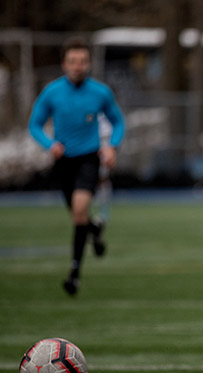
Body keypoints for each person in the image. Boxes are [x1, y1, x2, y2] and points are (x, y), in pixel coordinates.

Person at [29, 37, 125, 296]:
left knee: (80, 208)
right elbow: (34, 124)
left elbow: (118, 122)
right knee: (78, 216)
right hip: (63, 161)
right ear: (64, 64)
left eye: (82, 61)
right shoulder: (52, 92)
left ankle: (74, 274)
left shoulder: (100, 92)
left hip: (89, 158)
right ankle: (94, 229)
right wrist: (50, 144)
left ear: (89, 63)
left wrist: (111, 146)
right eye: (73, 61)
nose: (78, 66)